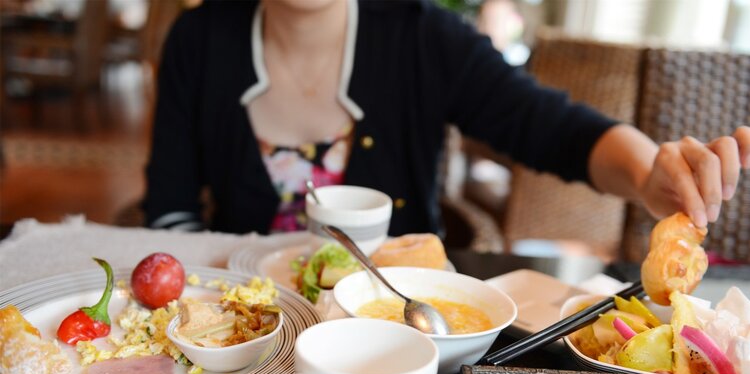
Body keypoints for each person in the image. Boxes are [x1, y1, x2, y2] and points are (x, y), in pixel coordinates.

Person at [143, 0, 749, 237]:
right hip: (244, 343)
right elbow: (170, 213)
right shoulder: (197, 41)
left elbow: (556, 129)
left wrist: (648, 174)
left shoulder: (426, 39)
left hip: (403, 342)